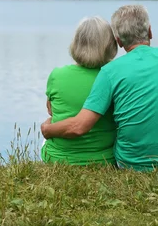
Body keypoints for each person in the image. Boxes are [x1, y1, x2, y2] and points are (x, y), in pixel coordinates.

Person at [41, 4, 158, 171]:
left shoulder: (110, 71)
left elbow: (80, 125)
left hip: (129, 164)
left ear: (118, 41)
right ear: (149, 31)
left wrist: (47, 129)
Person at [41, 16, 118, 165]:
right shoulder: (114, 76)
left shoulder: (57, 75)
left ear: (76, 43)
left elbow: (51, 111)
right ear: (110, 44)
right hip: (104, 160)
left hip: (57, 159)